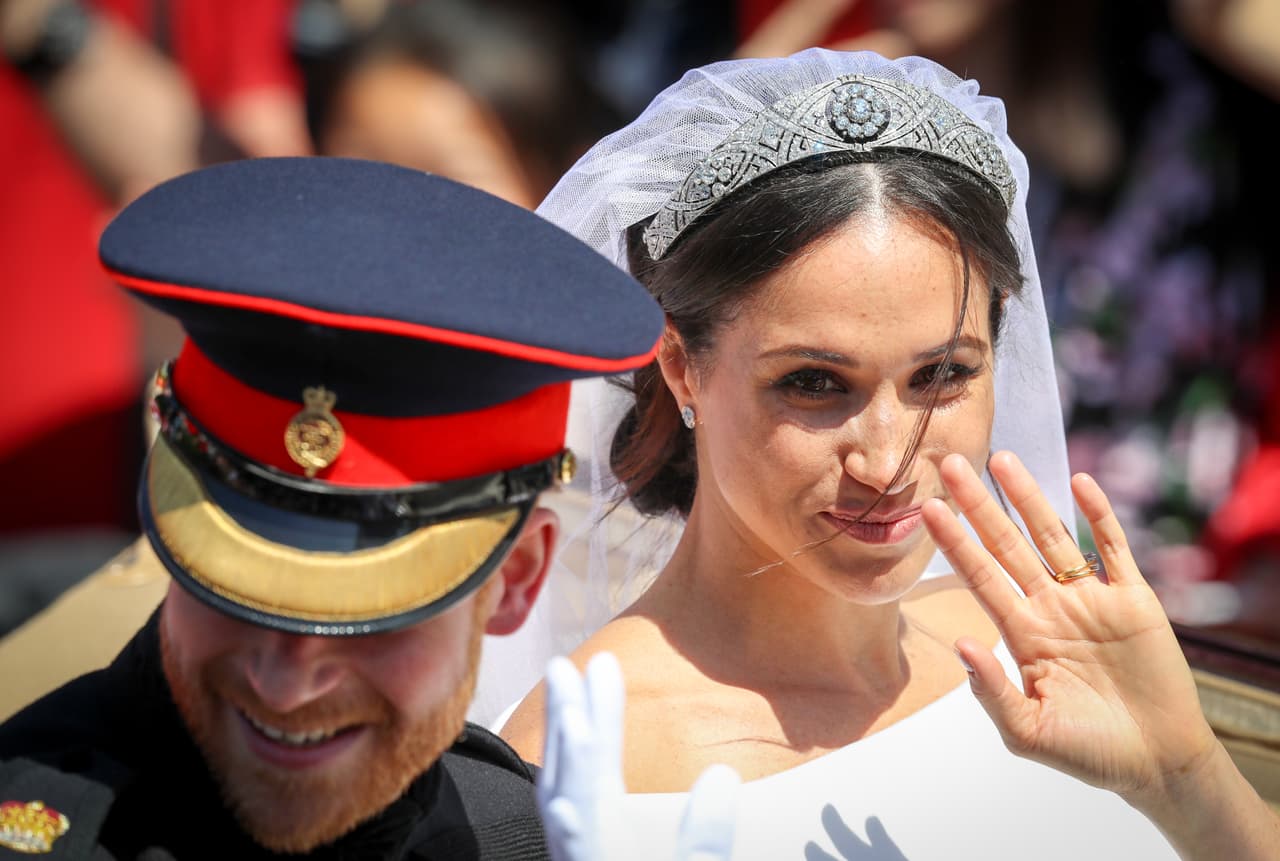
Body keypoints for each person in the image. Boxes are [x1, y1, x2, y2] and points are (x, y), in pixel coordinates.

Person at [499, 50, 1280, 859]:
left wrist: (1186, 776)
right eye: (813, 382)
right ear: (680, 367)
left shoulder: (1045, 648)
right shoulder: (587, 761)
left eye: (941, 374)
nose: (886, 463)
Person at [0, 156, 664, 858]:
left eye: (368, 615)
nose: (286, 684)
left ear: (517, 576)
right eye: (241, 592)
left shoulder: (527, 835)